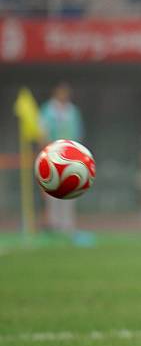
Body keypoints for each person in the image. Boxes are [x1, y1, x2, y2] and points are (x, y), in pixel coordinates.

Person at [39, 82, 84, 234]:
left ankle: (67, 224)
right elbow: (42, 133)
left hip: (70, 155)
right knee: (53, 189)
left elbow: (78, 132)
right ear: (56, 93)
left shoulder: (72, 111)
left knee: (70, 188)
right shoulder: (48, 110)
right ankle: (54, 223)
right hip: (52, 154)